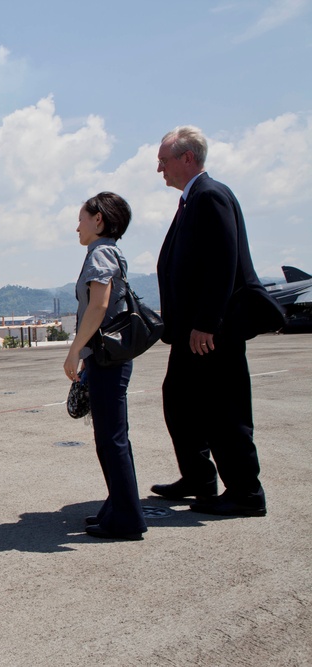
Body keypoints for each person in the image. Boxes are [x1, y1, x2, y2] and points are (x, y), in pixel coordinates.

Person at [152, 125, 267, 517]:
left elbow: (224, 263)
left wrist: (208, 321)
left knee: (225, 410)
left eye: (163, 160)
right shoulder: (192, 199)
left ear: (187, 158)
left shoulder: (210, 195)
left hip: (212, 332)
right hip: (191, 332)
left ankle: (246, 492)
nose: (159, 169)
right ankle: (198, 477)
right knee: (179, 401)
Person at [63, 192, 147, 541]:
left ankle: (127, 518)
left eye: (81, 218)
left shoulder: (101, 253)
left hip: (105, 359)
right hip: (105, 358)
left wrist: (75, 350)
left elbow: (97, 306)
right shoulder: (105, 252)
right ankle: (118, 508)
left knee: (111, 439)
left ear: (98, 220)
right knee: (109, 438)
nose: (77, 226)